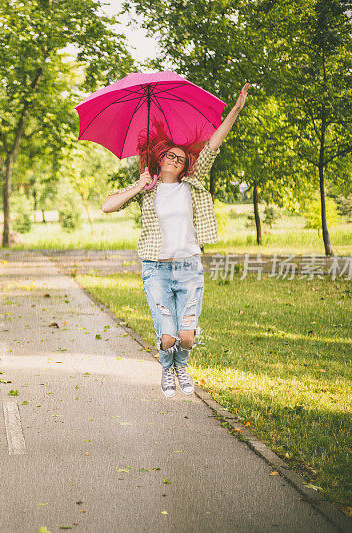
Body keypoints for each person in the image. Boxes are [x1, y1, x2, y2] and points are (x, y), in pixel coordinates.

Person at [102, 82, 250, 397]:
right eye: (169, 155)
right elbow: (107, 206)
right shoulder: (148, 188)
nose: (173, 160)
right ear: (160, 157)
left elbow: (213, 143)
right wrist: (137, 186)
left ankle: (180, 365)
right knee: (167, 336)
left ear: (186, 166)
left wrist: (236, 109)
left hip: (188, 268)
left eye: (180, 158)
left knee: (185, 336)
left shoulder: (191, 185)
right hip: (155, 269)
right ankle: (167, 370)